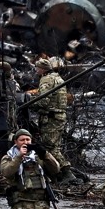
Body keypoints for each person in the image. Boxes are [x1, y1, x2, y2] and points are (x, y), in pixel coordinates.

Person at [30, 57, 77, 185]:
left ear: (42, 69)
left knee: (50, 147)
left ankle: (67, 173)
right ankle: (60, 174)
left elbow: (44, 100)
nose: (36, 70)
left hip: (51, 117)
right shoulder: (58, 78)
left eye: (37, 68)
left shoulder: (46, 79)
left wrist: (31, 104)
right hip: (59, 116)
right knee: (55, 146)